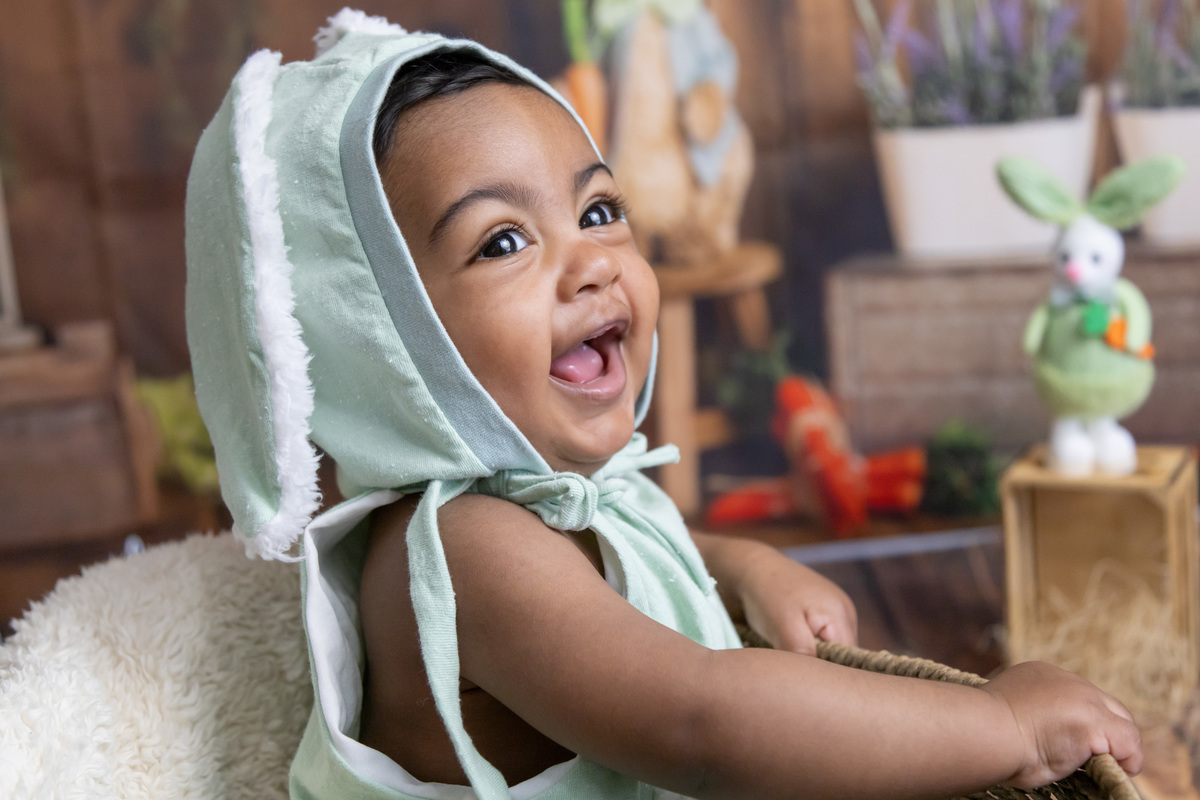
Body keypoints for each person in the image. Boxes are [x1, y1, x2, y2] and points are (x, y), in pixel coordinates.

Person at [184, 11, 1142, 800]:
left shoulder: (550, 497)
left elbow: (607, 574)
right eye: (503, 241)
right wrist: (1002, 726)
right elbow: (703, 722)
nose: (591, 262)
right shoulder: (463, 546)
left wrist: (737, 563)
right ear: (376, 345)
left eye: (598, 211)